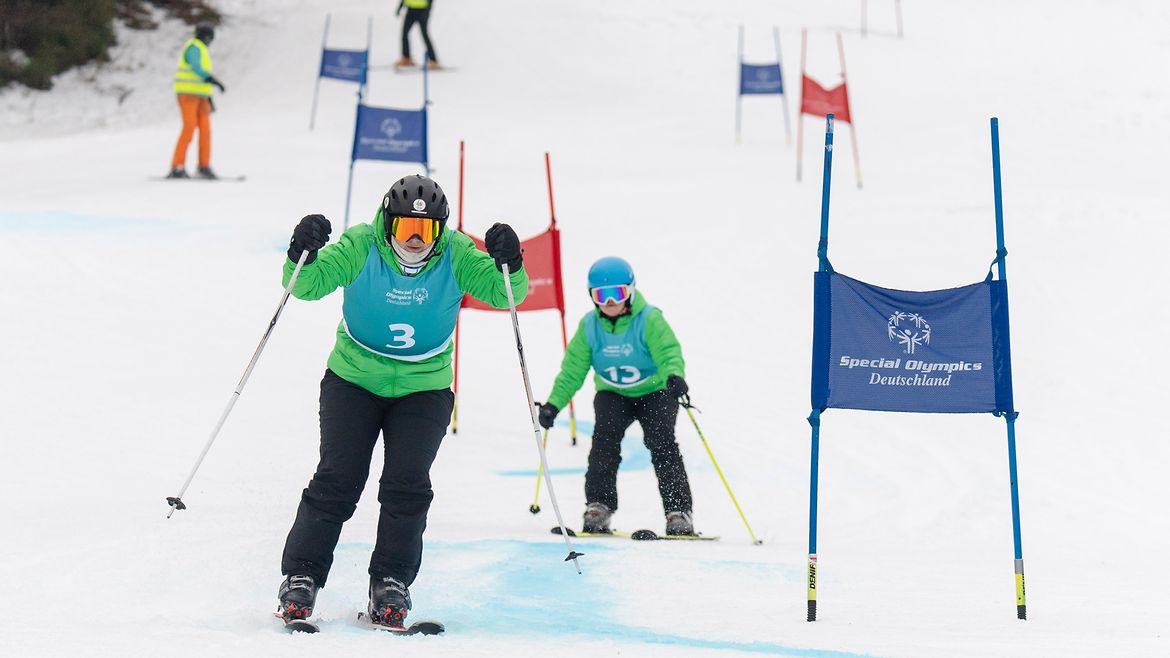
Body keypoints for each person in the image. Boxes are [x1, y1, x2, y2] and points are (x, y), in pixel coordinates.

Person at [275, 174, 526, 628]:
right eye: (406, 228)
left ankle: (391, 582)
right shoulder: (361, 245)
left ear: (441, 231)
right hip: (354, 378)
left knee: (407, 486)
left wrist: (510, 262)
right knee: (338, 478)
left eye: (426, 231)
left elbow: (505, 294)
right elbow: (305, 285)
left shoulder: (456, 253)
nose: (415, 240)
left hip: (424, 387)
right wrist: (301, 253)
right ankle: (301, 576)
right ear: (387, 223)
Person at [537, 257, 696, 537]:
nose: (610, 302)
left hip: (656, 391)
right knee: (604, 445)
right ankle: (599, 506)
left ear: (631, 291)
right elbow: (572, 371)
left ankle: (678, 512)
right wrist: (553, 404)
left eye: (617, 294)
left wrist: (674, 375)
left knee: (662, 444)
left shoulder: (649, 319)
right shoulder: (590, 327)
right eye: (601, 295)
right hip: (612, 393)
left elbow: (669, 351)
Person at [168, 23, 226, 179]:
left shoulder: (202, 49)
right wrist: (211, 79)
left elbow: (202, 78)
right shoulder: (194, 47)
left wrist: (209, 97)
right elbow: (196, 68)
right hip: (187, 95)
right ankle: (177, 166)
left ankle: (204, 165)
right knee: (189, 128)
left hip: (201, 97)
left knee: (206, 131)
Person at [396, 0, 440, 69]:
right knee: (404, 34)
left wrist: (427, 10)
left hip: (422, 10)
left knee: (424, 35)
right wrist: (400, 7)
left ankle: (433, 61)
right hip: (410, 10)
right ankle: (406, 58)